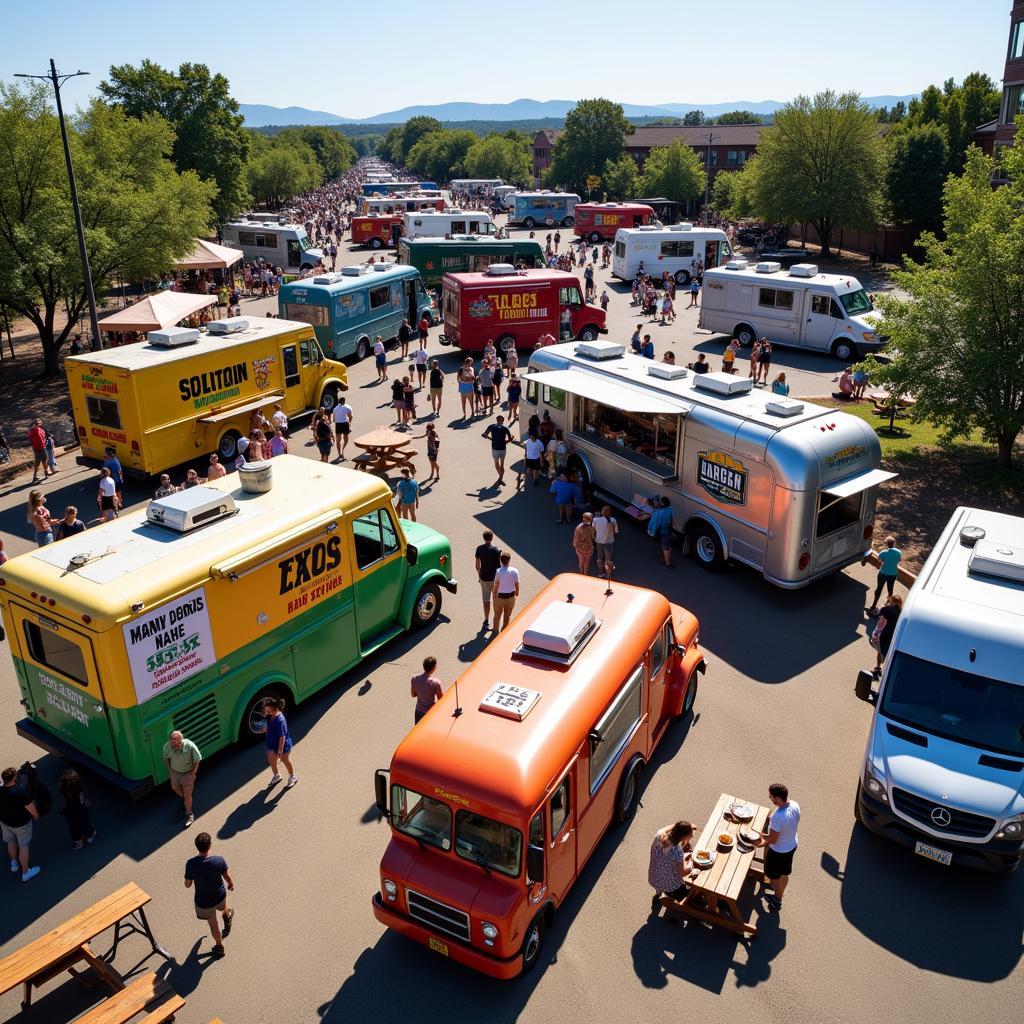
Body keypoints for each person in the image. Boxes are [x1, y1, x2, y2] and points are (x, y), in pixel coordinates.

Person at [184, 832, 234, 959]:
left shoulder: (191, 863)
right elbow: (226, 876)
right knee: (223, 907)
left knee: (213, 924)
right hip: (219, 895)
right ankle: (227, 916)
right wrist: (230, 884)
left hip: (204, 901)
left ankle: (219, 946)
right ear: (210, 844)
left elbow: (187, 884)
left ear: (197, 846)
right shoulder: (219, 860)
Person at [756, 783, 800, 911]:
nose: (770, 799)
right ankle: (778, 893)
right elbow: (789, 824)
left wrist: (759, 841)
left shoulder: (778, 817)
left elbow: (772, 840)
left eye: (771, 797)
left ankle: (777, 899)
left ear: (779, 798)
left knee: (774, 876)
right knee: (784, 873)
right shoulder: (795, 805)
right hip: (791, 845)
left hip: (778, 852)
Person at [1, 765, 41, 882]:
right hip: (21, 824)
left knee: (11, 841)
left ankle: (14, 863)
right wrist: (36, 815)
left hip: (5, 822)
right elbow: (30, 807)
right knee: (23, 846)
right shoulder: (19, 792)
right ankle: (25, 872)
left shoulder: (0, 790)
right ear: (14, 779)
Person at [648, 821, 695, 907]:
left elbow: (674, 827)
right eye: (690, 835)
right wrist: (691, 865)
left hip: (653, 878)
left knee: (665, 869)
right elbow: (682, 873)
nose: (692, 836)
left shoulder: (659, 835)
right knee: (688, 895)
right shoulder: (677, 852)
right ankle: (670, 895)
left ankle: (660, 892)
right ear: (683, 836)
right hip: (670, 886)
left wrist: (686, 827)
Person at [163, 730, 201, 828]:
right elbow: (166, 758)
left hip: (187, 772)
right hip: (175, 772)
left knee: (188, 795)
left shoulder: (190, 746)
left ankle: (189, 813)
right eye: (172, 743)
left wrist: (193, 774)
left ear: (181, 741)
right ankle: (186, 801)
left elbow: (197, 760)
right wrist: (170, 772)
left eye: (175, 744)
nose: (173, 746)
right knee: (174, 788)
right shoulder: (167, 746)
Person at [257, 697, 297, 789]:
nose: (265, 711)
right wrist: (265, 729)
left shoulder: (280, 720)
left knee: (285, 760)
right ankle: (277, 775)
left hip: (282, 746)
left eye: (267, 709)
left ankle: (292, 776)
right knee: (271, 760)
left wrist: (280, 751)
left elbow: (282, 737)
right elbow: (269, 727)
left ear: (272, 708)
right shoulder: (271, 716)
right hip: (273, 744)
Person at [59, 769, 95, 849]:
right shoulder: (78, 786)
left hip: (71, 811)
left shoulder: (63, 788)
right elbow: (83, 797)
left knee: (73, 826)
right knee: (84, 823)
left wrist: (63, 809)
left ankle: (78, 841)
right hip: (81, 809)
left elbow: (65, 801)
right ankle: (90, 835)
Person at [868, 536, 902, 615]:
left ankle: (873, 605)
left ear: (887, 544)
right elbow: (899, 560)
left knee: (879, 589)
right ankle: (888, 605)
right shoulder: (898, 552)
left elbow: (879, 560)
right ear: (894, 543)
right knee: (890, 590)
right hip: (893, 573)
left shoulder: (883, 553)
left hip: (883, 573)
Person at [475, 530, 501, 628]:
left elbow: (477, 565)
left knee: (486, 600)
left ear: (484, 537)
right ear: (492, 538)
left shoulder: (479, 549)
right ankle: (496, 619)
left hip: (484, 578)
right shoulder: (497, 550)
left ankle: (486, 620)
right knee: (496, 599)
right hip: (495, 580)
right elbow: (499, 567)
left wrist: (480, 574)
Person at [872, 593, 903, 677]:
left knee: (881, 652)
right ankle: (880, 668)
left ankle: (879, 669)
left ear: (892, 601)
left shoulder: (889, 609)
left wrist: (886, 605)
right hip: (896, 637)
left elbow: (881, 611)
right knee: (885, 653)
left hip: (886, 636)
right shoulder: (902, 613)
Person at [492, 551, 520, 632]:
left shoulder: (498, 571)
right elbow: (517, 584)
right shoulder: (515, 571)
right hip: (511, 597)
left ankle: (495, 632)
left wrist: (494, 593)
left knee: (497, 616)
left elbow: (496, 584)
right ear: (509, 560)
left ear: (501, 560)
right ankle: (504, 631)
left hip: (500, 597)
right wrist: (516, 594)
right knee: (507, 616)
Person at [411, 656, 444, 723]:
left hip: (418, 712)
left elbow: (413, 694)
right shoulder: (436, 683)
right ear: (434, 668)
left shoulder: (414, 678)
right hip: (430, 713)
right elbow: (441, 700)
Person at [483, 415, 513, 485]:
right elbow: (510, 439)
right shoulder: (505, 428)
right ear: (502, 421)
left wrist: (491, 439)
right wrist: (505, 442)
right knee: (502, 465)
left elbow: (484, 435)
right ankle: (500, 478)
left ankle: (500, 478)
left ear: (496, 420)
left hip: (495, 448)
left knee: (496, 463)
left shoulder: (491, 426)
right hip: (503, 448)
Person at [593, 505, 619, 580]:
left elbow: (594, 531)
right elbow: (616, 532)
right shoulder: (613, 520)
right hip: (609, 542)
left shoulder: (596, 520)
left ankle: (601, 573)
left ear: (602, 511)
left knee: (599, 558)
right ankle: (608, 574)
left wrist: (595, 537)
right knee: (608, 559)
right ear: (610, 512)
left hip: (599, 542)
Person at [648, 496, 674, 568]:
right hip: (669, 531)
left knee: (664, 547)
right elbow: (672, 521)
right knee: (669, 546)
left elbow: (657, 523)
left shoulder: (660, 513)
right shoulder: (670, 510)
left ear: (662, 503)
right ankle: (668, 559)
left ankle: (667, 564)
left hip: (663, 531)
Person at [28, 419, 52, 483]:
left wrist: (45, 442)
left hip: (43, 448)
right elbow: (30, 440)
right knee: (37, 463)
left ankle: (46, 472)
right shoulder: (31, 431)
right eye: (36, 424)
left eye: (38, 424)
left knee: (45, 461)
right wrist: (33, 447)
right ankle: (34, 477)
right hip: (36, 449)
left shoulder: (41, 430)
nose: (37, 425)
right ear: (33, 424)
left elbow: (44, 437)